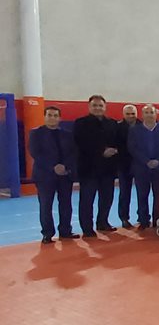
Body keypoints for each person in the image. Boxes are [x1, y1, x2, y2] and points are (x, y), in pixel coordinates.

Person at [30, 106, 79, 243]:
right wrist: (53, 166)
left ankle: (65, 231)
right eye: (50, 115)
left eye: (55, 115)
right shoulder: (36, 133)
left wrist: (65, 166)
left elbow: (72, 153)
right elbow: (35, 153)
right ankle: (47, 233)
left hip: (65, 174)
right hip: (44, 175)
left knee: (66, 204)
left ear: (60, 118)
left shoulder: (67, 134)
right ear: (45, 117)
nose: (52, 118)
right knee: (46, 205)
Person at [73, 95, 119, 236]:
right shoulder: (80, 123)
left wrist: (114, 150)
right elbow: (80, 143)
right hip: (88, 168)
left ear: (105, 107)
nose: (98, 108)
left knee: (107, 198)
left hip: (108, 169)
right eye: (95, 105)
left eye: (100, 105)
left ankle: (102, 222)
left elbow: (117, 141)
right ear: (89, 107)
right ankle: (87, 228)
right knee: (87, 200)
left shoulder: (112, 123)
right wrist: (101, 151)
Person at [127, 104, 159, 230]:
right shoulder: (134, 130)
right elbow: (132, 148)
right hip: (141, 168)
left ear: (156, 114)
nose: (149, 115)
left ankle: (158, 220)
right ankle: (143, 220)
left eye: (152, 112)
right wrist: (146, 161)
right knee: (142, 195)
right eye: (146, 112)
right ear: (142, 115)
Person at [116, 104, 139, 228]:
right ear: (123, 114)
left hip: (141, 164)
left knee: (143, 192)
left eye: (133, 113)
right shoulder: (117, 127)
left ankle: (143, 217)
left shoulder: (143, 126)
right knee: (125, 192)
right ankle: (124, 218)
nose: (131, 116)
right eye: (128, 114)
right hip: (124, 164)